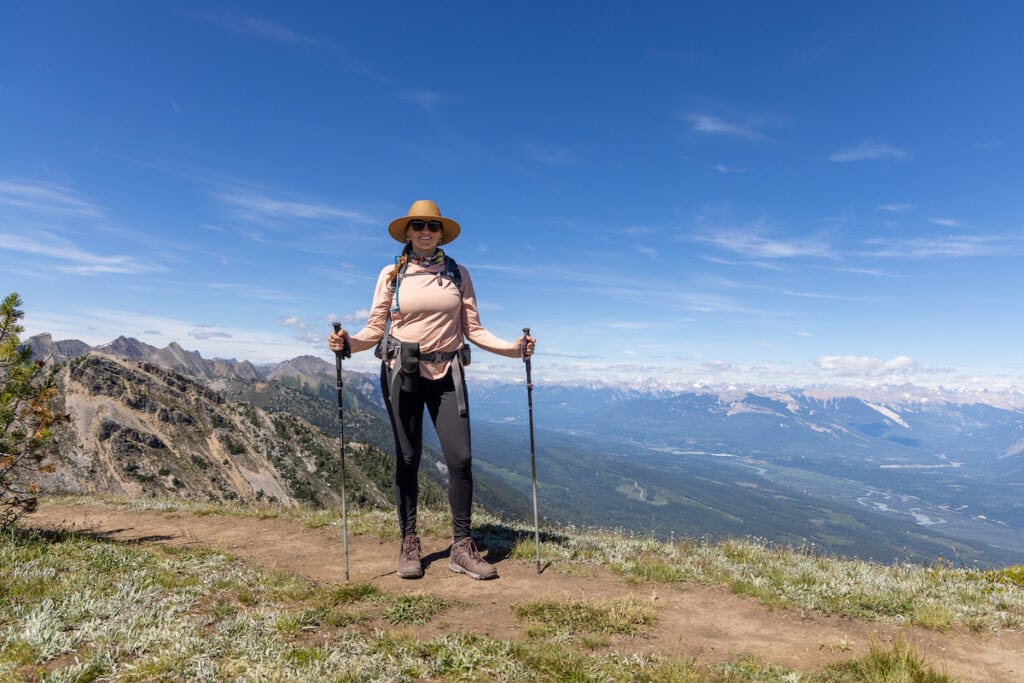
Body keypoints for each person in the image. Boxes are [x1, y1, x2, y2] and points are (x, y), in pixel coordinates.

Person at [329, 199, 536, 580]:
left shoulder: (458, 274)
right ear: (408, 232)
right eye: (418, 225)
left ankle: (461, 546)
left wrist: (513, 349)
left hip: (448, 374)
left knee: (460, 459)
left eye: (433, 226)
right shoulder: (391, 275)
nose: (426, 231)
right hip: (400, 372)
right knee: (407, 459)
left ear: (442, 233)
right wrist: (348, 343)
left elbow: (473, 329)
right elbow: (375, 328)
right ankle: (409, 541)